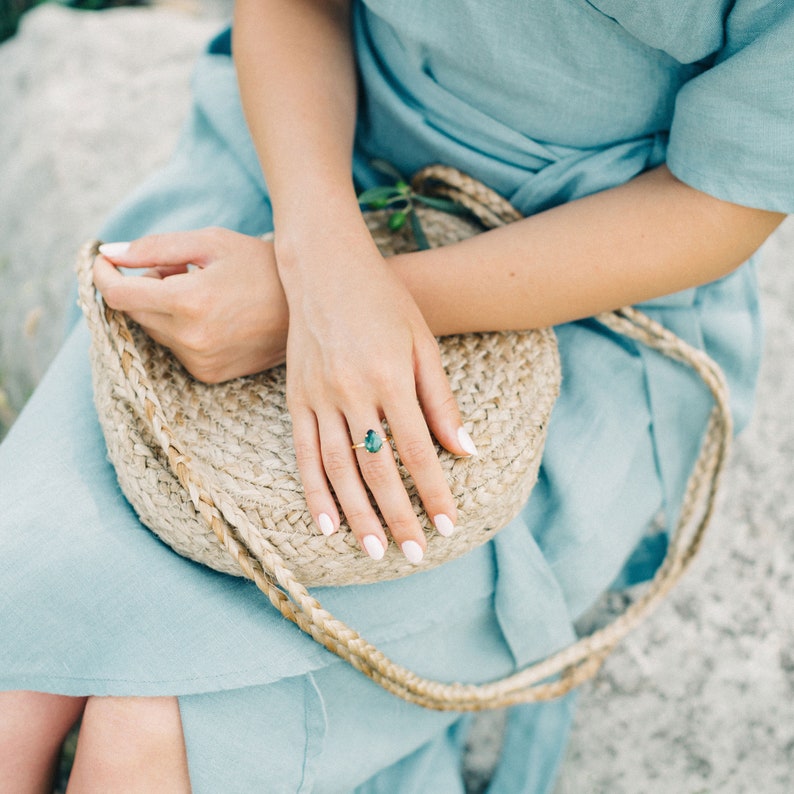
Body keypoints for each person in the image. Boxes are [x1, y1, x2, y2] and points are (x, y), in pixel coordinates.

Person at [1, 0, 791, 791]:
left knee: (148, 734)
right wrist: (319, 259)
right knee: (14, 662)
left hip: (585, 280)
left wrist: (321, 305)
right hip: (309, 151)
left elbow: (723, 201)